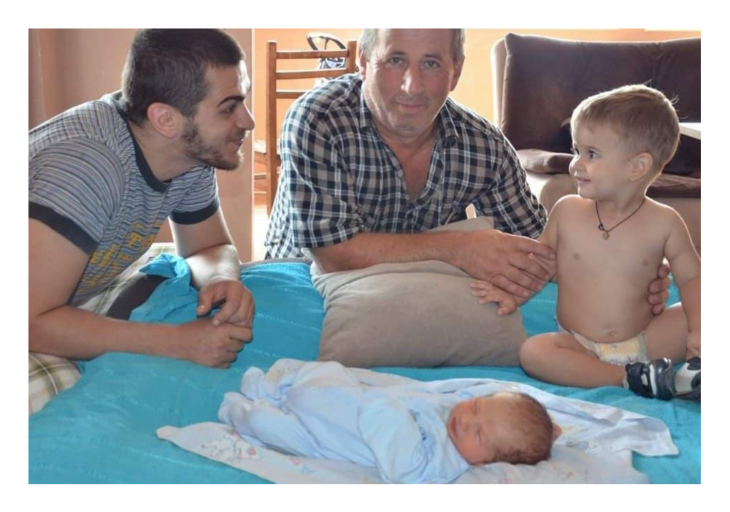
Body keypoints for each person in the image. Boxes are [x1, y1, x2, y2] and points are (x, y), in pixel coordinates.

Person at [265, 29, 671, 315]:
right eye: (395, 60)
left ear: (455, 71)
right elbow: (333, 254)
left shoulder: (484, 145)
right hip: (300, 289)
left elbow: (540, 251)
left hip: (414, 300)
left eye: (431, 63)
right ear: (363, 63)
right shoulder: (318, 118)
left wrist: (628, 276)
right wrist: (458, 248)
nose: (412, 85)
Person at [29, 29, 255, 369]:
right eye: (229, 108)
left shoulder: (188, 153)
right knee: (83, 387)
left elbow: (207, 247)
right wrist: (178, 343)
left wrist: (220, 278)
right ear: (165, 119)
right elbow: (28, 321)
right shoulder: (84, 166)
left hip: (59, 297)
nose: (248, 121)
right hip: (29, 314)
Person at [471, 85, 701, 400]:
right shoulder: (566, 211)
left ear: (637, 167)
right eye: (576, 150)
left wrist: (698, 330)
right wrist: (511, 293)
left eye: (591, 154)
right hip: (579, 345)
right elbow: (538, 265)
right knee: (534, 352)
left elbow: (692, 278)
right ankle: (630, 378)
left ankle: (693, 369)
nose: (575, 164)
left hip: (648, 339)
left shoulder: (665, 222)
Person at [219, 360, 559, 483]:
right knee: (325, 369)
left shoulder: (442, 464)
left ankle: (240, 409)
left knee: (265, 424)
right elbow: (465, 392)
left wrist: (390, 411)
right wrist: (549, 429)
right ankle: (266, 386)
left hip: (323, 434)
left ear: (485, 462)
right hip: (341, 395)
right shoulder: (453, 409)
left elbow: (404, 470)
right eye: (475, 407)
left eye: (479, 434)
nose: (466, 419)